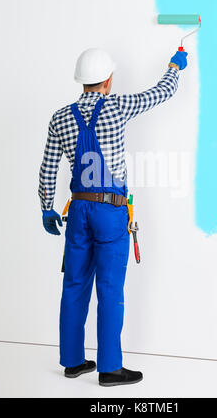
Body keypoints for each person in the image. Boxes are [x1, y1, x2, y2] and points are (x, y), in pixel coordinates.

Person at [38, 47, 188, 387]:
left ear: (81, 81)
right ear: (108, 80)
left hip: (78, 209)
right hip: (111, 210)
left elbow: (48, 168)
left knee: (74, 284)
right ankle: (109, 368)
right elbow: (162, 92)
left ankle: (73, 362)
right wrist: (174, 66)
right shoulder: (118, 106)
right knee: (109, 288)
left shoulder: (60, 117)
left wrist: (46, 206)